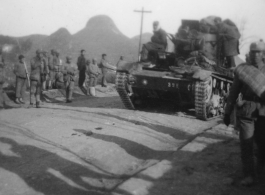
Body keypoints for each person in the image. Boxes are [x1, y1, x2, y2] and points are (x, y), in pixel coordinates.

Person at [224, 40, 265, 186]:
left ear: (263, 54)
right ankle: (249, 175)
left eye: (258, 52)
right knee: (246, 145)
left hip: (263, 112)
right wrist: (227, 111)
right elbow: (233, 91)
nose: (255, 55)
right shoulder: (243, 70)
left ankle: (260, 171)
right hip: (247, 111)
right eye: (253, 52)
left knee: (261, 144)